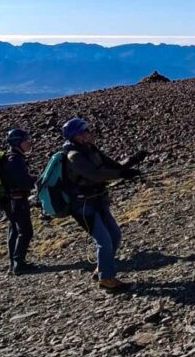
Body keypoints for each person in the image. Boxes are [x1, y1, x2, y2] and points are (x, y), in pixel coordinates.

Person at [60, 118, 147, 293]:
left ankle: (101, 270)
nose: (89, 133)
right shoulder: (74, 156)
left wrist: (132, 162)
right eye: (85, 131)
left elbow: (113, 166)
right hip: (83, 205)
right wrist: (123, 174)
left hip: (98, 200)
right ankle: (107, 279)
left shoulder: (91, 150)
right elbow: (95, 175)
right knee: (104, 240)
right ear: (77, 136)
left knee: (114, 235)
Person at [0, 129, 37, 275]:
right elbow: (23, 182)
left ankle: (14, 264)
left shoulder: (10, 158)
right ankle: (18, 264)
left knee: (15, 230)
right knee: (25, 232)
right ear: (17, 143)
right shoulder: (15, 160)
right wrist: (39, 179)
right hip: (17, 200)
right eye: (25, 139)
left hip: (10, 201)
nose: (29, 142)